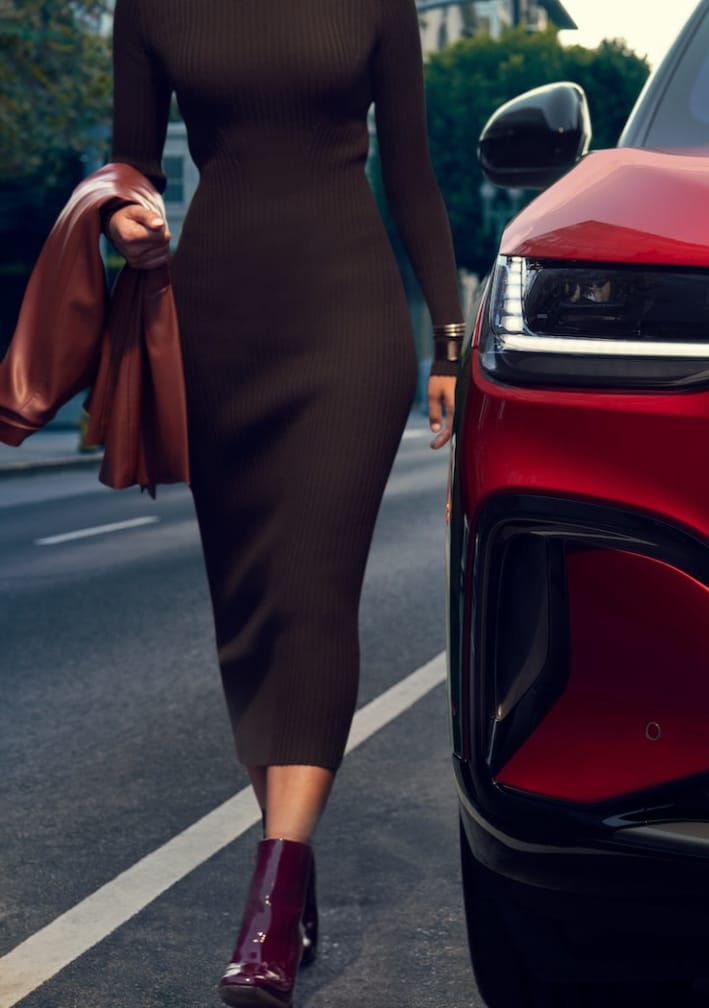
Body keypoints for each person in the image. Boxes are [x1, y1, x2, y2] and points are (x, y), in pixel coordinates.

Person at [105, 1, 463, 1004]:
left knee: (309, 595)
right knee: (253, 612)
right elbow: (126, 167)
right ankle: (291, 877)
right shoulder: (149, 8)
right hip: (215, 322)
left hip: (349, 323)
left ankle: (271, 895)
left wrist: (447, 338)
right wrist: (123, 219)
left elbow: (415, 178)